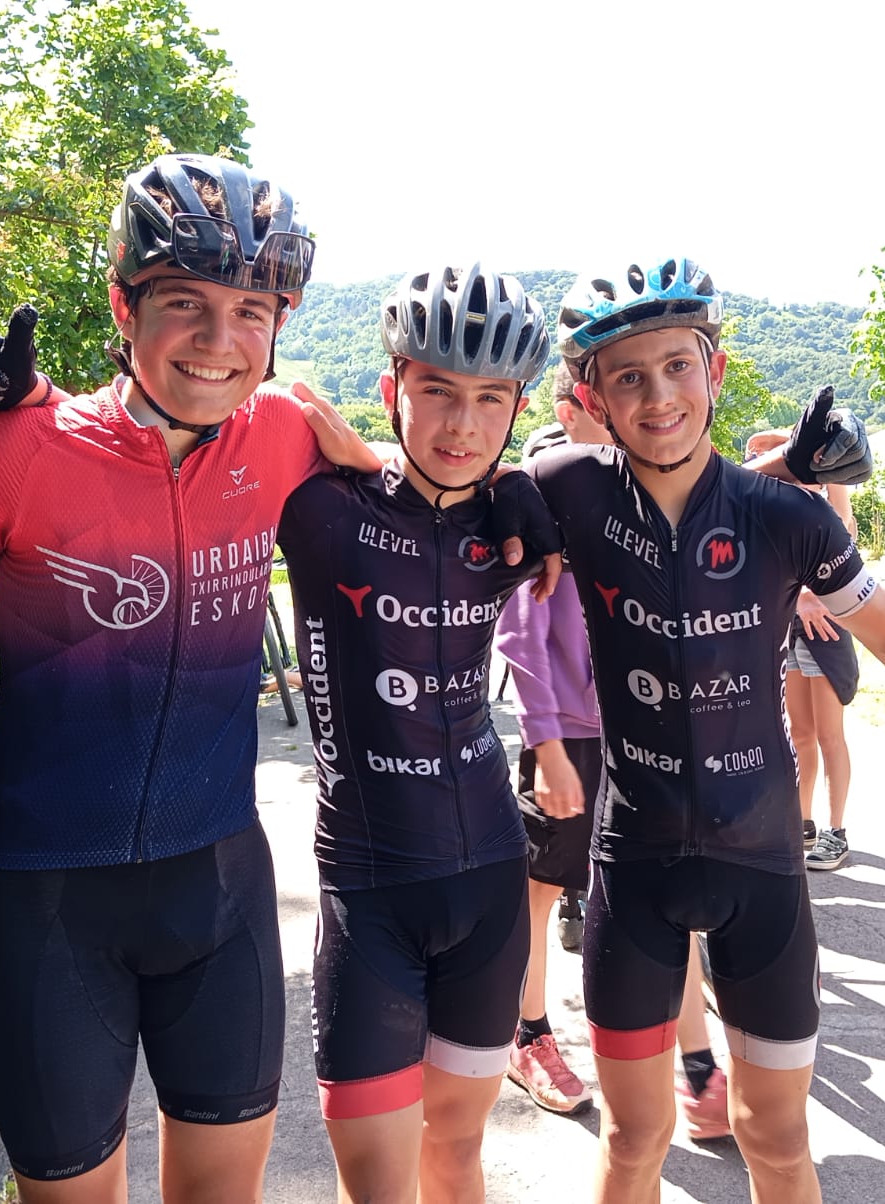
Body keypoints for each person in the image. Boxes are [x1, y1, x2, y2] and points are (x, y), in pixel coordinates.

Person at [0, 154, 403, 1204]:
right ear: (122, 305)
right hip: (55, 911)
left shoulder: (285, 431)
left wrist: (516, 506)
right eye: (184, 302)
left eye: (249, 310)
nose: (218, 338)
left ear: (280, 323)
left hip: (222, 892)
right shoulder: (22, 446)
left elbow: (408, 481)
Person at [530, 252, 885, 1204]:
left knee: (776, 1138)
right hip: (633, 864)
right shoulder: (564, 487)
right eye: (628, 378)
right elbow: (440, 512)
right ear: (592, 399)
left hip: (764, 867)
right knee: (633, 1139)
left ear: (716, 369)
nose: (659, 396)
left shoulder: (787, 518)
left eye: (677, 366)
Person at [277, 264, 558, 1201]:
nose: (461, 425)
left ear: (518, 409)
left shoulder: (517, 523)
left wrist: (523, 485)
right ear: (392, 384)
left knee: (457, 1154)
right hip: (368, 888)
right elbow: (193, 413)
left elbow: (690, 481)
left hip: (490, 881)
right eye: (437, 390)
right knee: (378, 1182)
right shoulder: (319, 506)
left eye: (490, 399)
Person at [497, 361, 729, 1137]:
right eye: (613, 393)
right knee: (539, 890)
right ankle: (527, 1033)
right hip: (569, 737)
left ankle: (697, 1064)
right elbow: (521, 635)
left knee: (666, 893)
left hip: (643, 734)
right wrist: (546, 744)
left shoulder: (641, 502)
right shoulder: (541, 499)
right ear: (579, 407)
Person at [744, 428, 860, 872]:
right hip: (788, 626)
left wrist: (793, 441)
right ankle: (802, 821)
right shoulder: (769, 502)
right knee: (799, 733)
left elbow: (844, 531)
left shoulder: (824, 501)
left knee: (830, 734)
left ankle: (837, 830)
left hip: (825, 628)